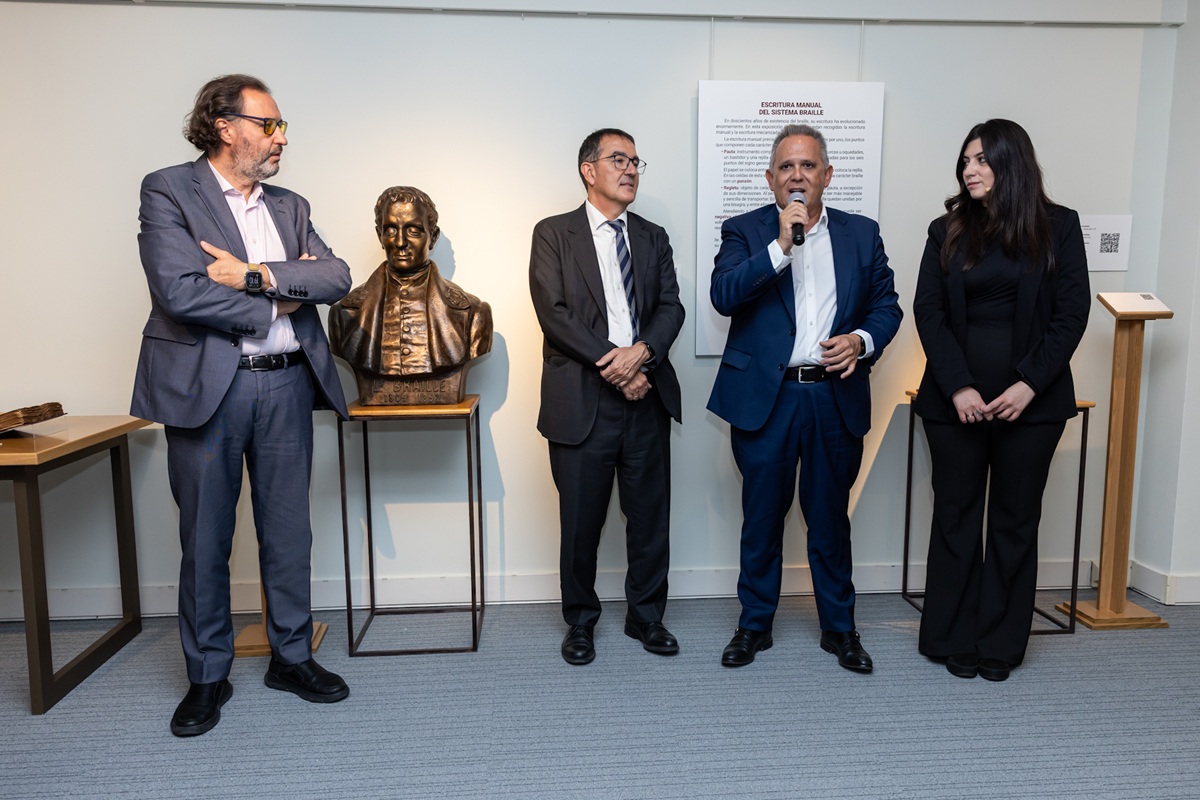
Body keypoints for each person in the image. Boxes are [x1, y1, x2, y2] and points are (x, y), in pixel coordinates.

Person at [131, 74, 352, 736]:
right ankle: (207, 677)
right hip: (209, 387)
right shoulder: (169, 189)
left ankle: (290, 658)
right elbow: (181, 291)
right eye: (270, 125)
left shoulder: (290, 206)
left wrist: (253, 275)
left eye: (283, 126)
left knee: (288, 533)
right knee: (205, 538)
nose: (281, 137)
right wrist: (284, 296)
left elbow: (336, 277)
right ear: (226, 126)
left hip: (287, 383)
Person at [708, 123, 902, 671]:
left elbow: (887, 307)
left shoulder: (862, 234)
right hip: (767, 400)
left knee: (829, 520)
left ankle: (840, 630)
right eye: (787, 167)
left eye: (808, 166)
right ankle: (753, 626)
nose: (798, 175)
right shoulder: (745, 231)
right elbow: (724, 295)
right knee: (762, 520)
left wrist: (861, 341)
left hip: (832, 397)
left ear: (827, 176)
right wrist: (780, 247)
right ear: (771, 179)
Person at [912, 118, 1090, 682]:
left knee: (1015, 521)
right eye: (965, 160)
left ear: (1012, 163)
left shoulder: (1059, 227)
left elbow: (1071, 314)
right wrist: (960, 384)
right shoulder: (946, 230)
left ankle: (1000, 642)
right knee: (956, 517)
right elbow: (928, 313)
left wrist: (1028, 384)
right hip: (952, 402)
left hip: (1031, 405)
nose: (969, 169)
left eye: (982, 159)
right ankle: (951, 636)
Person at [529, 128, 685, 665]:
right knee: (580, 522)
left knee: (649, 519)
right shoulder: (553, 234)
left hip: (647, 398)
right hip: (582, 401)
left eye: (637, 161)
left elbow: (672, 308)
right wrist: (618, 367)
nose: (631, 169)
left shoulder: (652, 236)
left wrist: (641, 353)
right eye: (619, 159)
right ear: (588, 170)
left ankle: (647, 618)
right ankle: (580, 621)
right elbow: (555, 314)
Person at [328, 186, 493, 404]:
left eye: (413, 230)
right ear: (380, 236)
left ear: (433, 237)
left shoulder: (473, 314)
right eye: (390, 230)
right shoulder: (345, 315)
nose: (400, 242)